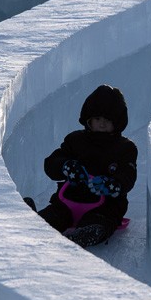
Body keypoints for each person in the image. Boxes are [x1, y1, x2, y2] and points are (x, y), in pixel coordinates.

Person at [35, 84, 138, 247]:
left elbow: (128, 175)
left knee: (101, 222)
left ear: (117, 122)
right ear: (88, 118)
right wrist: (65, 166)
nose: (102, 124)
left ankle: (84, 235)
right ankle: (35, 224)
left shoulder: (125, 148)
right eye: (97, 119)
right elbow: (52, 162)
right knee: (54, 215)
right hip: (67, 202)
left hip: (104, 207)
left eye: (107, 120)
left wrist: (113, 185)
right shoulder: (75, 140)